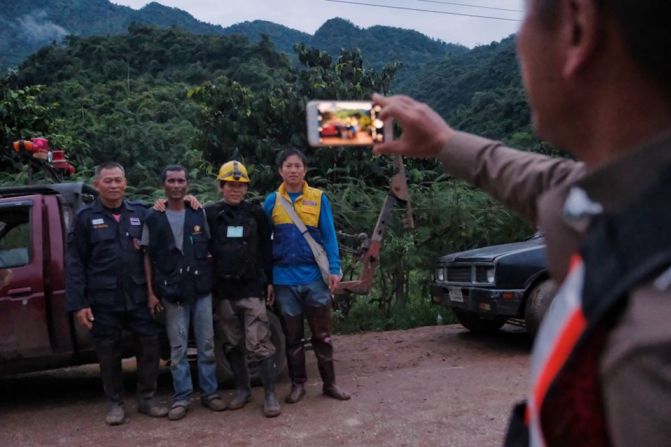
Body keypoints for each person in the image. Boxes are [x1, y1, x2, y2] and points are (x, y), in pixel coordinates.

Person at [372, 1, 671, 446]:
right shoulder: (634, 194)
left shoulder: (647, 352)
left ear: (577, 26)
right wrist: (444, 142)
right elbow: (544, 182)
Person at [66, 162, 168, 425]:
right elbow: (75, 262)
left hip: (138, 296)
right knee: (108, 353)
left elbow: (167, 223)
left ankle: (147, 398)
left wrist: (189, 201)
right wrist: (79, 304)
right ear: (98, 184)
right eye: (108, 181)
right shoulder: (85, 219)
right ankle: (115, 404)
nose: (113, 185)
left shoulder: (140, 213)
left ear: (125, 183)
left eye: (118, 180)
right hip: (104, 300)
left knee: (149, 345)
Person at [263, 148, 350, 403]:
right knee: (292, 338)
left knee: (322, 336)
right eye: (288, 166)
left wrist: (334, 269)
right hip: (283, 280)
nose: (293, 170)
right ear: (280, 170)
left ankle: (330, 384)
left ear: (305, 170)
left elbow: (329, 236)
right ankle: (298, 385)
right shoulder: (271, 202)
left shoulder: (318, 198)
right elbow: (265, 244)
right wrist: (268, 278)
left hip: (314, 279)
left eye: (297, 166)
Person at [142, 165, 225, 421]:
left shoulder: (198, 212)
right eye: (171, 181)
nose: (176, 185)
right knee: (178, 349)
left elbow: (210, 249)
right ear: (163, 184)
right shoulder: (153, 217)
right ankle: (182, 397)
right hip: (171, 292)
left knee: (207, 345)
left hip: (200, 289)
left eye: (181, 181)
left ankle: (210, 394)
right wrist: (151, 294)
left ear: (187, 184)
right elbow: (147, 257)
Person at [206, 160, 281, 418]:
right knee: (231, 342)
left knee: (259, 341)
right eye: (230, 185)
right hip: (224, 292)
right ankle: (242, 389)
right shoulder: (210, 215)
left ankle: (270, 394)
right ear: (221, 186)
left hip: (252, 288)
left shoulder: (257, 214)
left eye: (240, 185)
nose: (235, 189)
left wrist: (270, 280)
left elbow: (267, 250)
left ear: (246, 187)